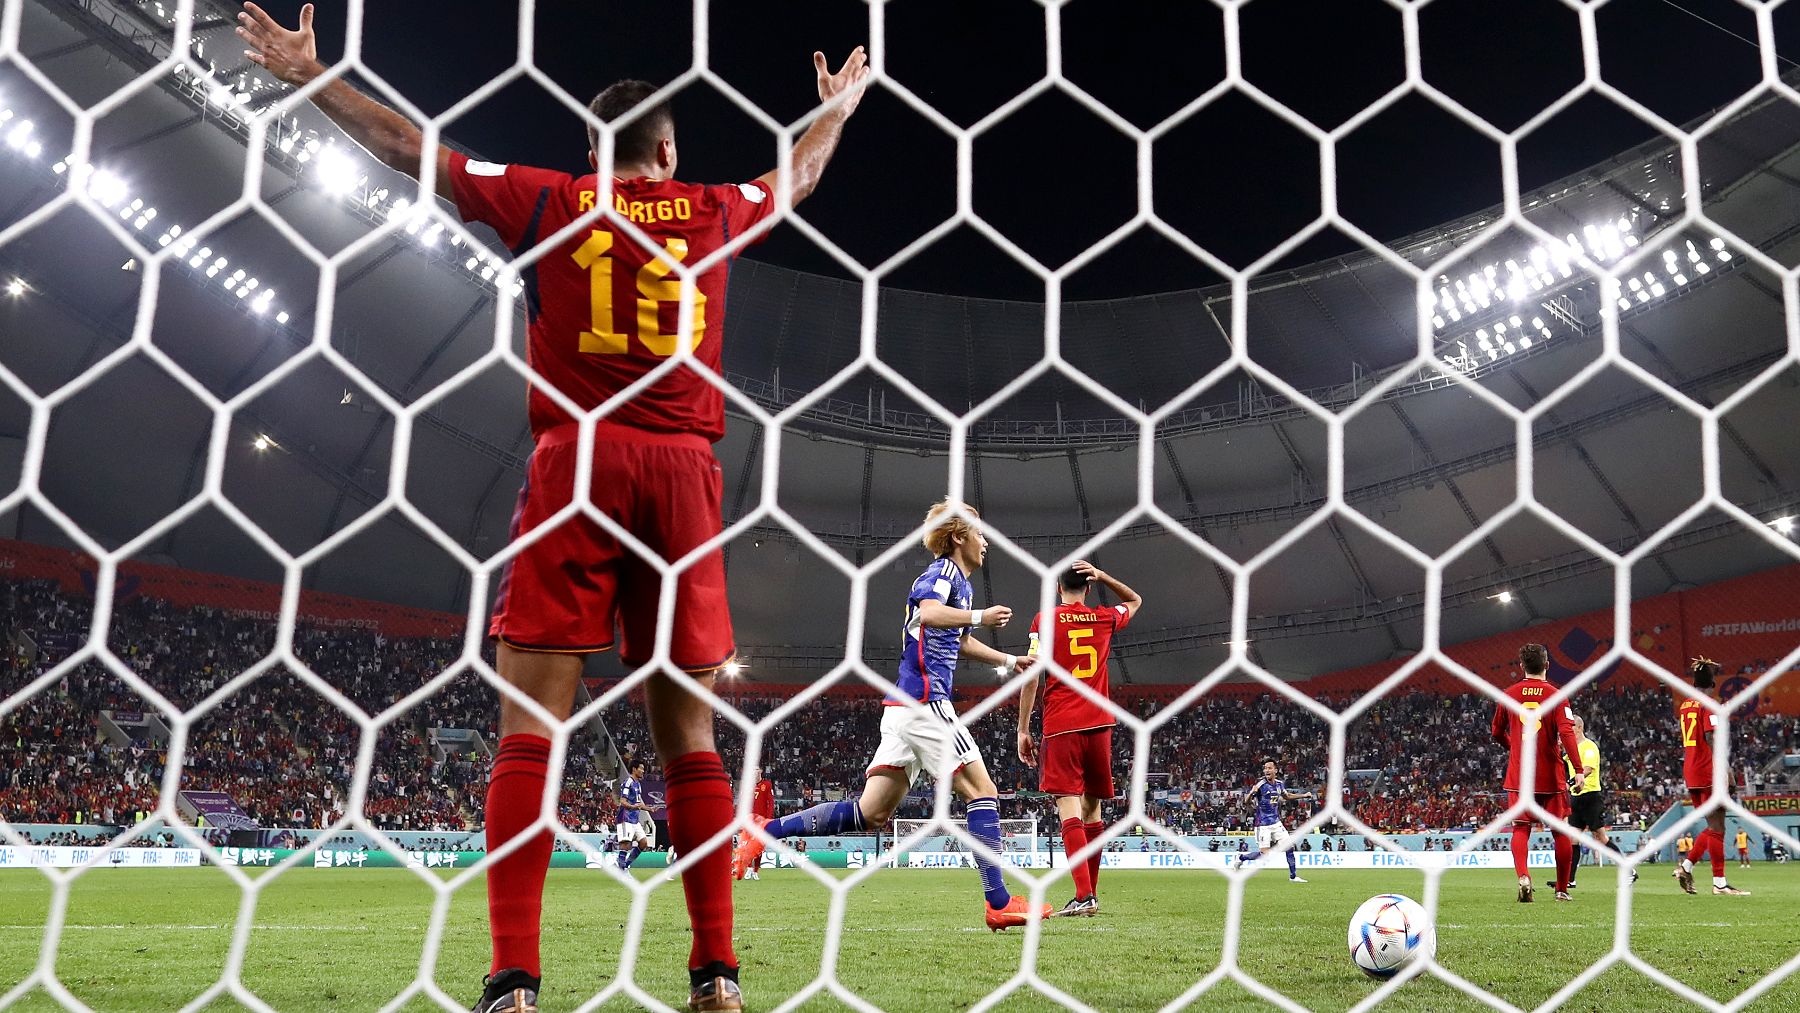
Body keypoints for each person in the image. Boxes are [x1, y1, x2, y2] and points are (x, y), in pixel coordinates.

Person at [237, 6, 869, 1009]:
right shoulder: (712, 207)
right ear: (668, 149)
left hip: (576, 462)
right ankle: (715, 976)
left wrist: (312, 77)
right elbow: (796, 175)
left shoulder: (550, 199)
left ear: (594, 151)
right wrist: (834, 109)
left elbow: (407, 147)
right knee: (690, 742)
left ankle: (514, 979)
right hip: (680, 472)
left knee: (529, 730)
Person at [732, 501, 1050, 930]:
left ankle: (767, 828)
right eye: (978, 532)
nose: (985, 540)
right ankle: (998, 902)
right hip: (926, 702)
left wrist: (1010, 661)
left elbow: (957, 640)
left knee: (872, 813)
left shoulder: (961, 584)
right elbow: (929, 614)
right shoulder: (940, 574)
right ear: (958, 536)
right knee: (983, 792)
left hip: (904, 708)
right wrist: (979, 616)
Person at [1015, 560, 1142, 917]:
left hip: (1062, 723)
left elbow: (1032, 674)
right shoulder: (1103, 617)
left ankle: (1084, 895)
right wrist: (1105, 576)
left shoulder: (1046, 620)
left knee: (1067, 805)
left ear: (1059, 589)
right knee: (1093, 807)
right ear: (1088, 589)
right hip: (1100, 723)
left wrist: (1023, 728)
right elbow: (1134, 601)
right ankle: (1091, 895)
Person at [1490, 644, 1587, 903]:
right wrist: (1578, 769)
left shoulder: (1508, 694)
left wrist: (1514, 748)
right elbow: (1567, 733)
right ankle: (1562, 889)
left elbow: (1496, 731)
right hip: (1550, 775)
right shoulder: (1557, 696)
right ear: (1547, 665)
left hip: (1520, 775)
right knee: (1560, 831)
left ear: (1521, 666)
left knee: (1520, 829)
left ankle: (1524, 877)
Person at [1673, 657, 1750, 896]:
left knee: (1714, 827)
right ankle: (1718, 883)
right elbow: (1711, 738)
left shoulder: (1686, 705)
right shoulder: (1708, 704)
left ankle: (1687, 867)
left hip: (1691, 769)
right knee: (1717, 826)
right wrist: (1727, 770)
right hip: (1708, 770)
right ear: (1713, 683)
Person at [1550, 714, 1632, 890]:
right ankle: (1569, 880)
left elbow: (1587, 769)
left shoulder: (1589, 747)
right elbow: (1559, 762)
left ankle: (1628, 870)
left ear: (1579, 728)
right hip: (1576, 798)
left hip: (1590, 796)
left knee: (1600, 837)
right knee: (1573, 839)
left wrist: (1570, 782)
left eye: (1570, 728)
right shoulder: (1571, 749)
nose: (1567, 732)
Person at [1231, 760, 1313, 883]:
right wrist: (1251, 793)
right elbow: (1246, 802)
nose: (1267, 770)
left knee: (1289, 847)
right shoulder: (1260, 785)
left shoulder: (1279, 784)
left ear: (1275, 770)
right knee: (1265, 854)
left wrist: (1304, 796)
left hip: (1276, 822)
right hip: (1262, 824)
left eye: (1269, 768)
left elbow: (1286, 796)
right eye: (1265, 768)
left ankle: (1293, 876)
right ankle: (1241, 857)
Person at [731, 768, 775, 880]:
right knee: (747, 845)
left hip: (761, 821)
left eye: (756, 771)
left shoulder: (767, 785)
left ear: (760, 772)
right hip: (748, 820)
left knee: (759, 846)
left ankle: (755, 871)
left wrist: (769, 819)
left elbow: (770, 802)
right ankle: (749, 869)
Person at [617, 761, 653, 870]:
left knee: (643, 843)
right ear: (634, 769)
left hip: (634, 819)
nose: (643, 771)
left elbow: (638, 803)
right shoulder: (628, 782)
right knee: (626, 843)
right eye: (641, 768)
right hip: (625, 817)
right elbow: (622, 801)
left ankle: (626, 865)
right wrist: (632, 807)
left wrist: (648, 808)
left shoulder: (638, 784)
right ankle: (621, 866)